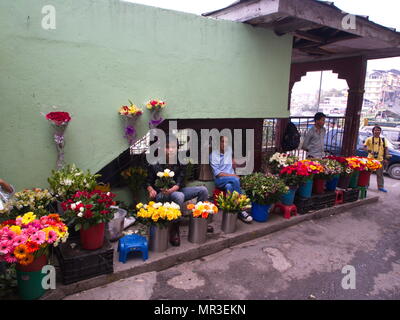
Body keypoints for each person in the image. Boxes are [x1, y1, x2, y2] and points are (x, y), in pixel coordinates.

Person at [146, 137, 210, 246]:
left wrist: (174, 188)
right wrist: (151, 189)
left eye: (173, 147)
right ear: (162, 149)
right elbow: (147, 182)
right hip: (162, 195)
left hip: (176, 191)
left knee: (203, 190)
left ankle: (200, 221)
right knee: (179, 196)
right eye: (167, 147)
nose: (171, 150)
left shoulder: (181, 162)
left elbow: (181, 182)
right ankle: (174, 229)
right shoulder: (154, 163)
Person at [209, 136, 253, 223]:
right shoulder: (213, 156)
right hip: (220, 180)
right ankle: (241, 207)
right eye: (222, 142)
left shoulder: (229, 149)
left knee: (229, 186)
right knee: (235, 180)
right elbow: (218, 174)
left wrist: (235, 162)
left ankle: (233, 212)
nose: (225, 144)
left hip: (230, 180)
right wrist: (233, 176)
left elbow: (231, 158)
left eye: (227, 142)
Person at [363, 126, 389, 192]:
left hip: (380, 160)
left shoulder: (383, 140)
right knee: (368, 173)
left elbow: (386, 149)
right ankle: (366, 184)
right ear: (373, 131)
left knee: (380, 174)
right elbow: (364, 147)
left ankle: (380, 187)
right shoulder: (369, 139)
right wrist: (369, 151)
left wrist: (386, 158)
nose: (377, 131)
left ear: (380, 132)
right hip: (370, 159)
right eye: (375, 130)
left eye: (378, 130)